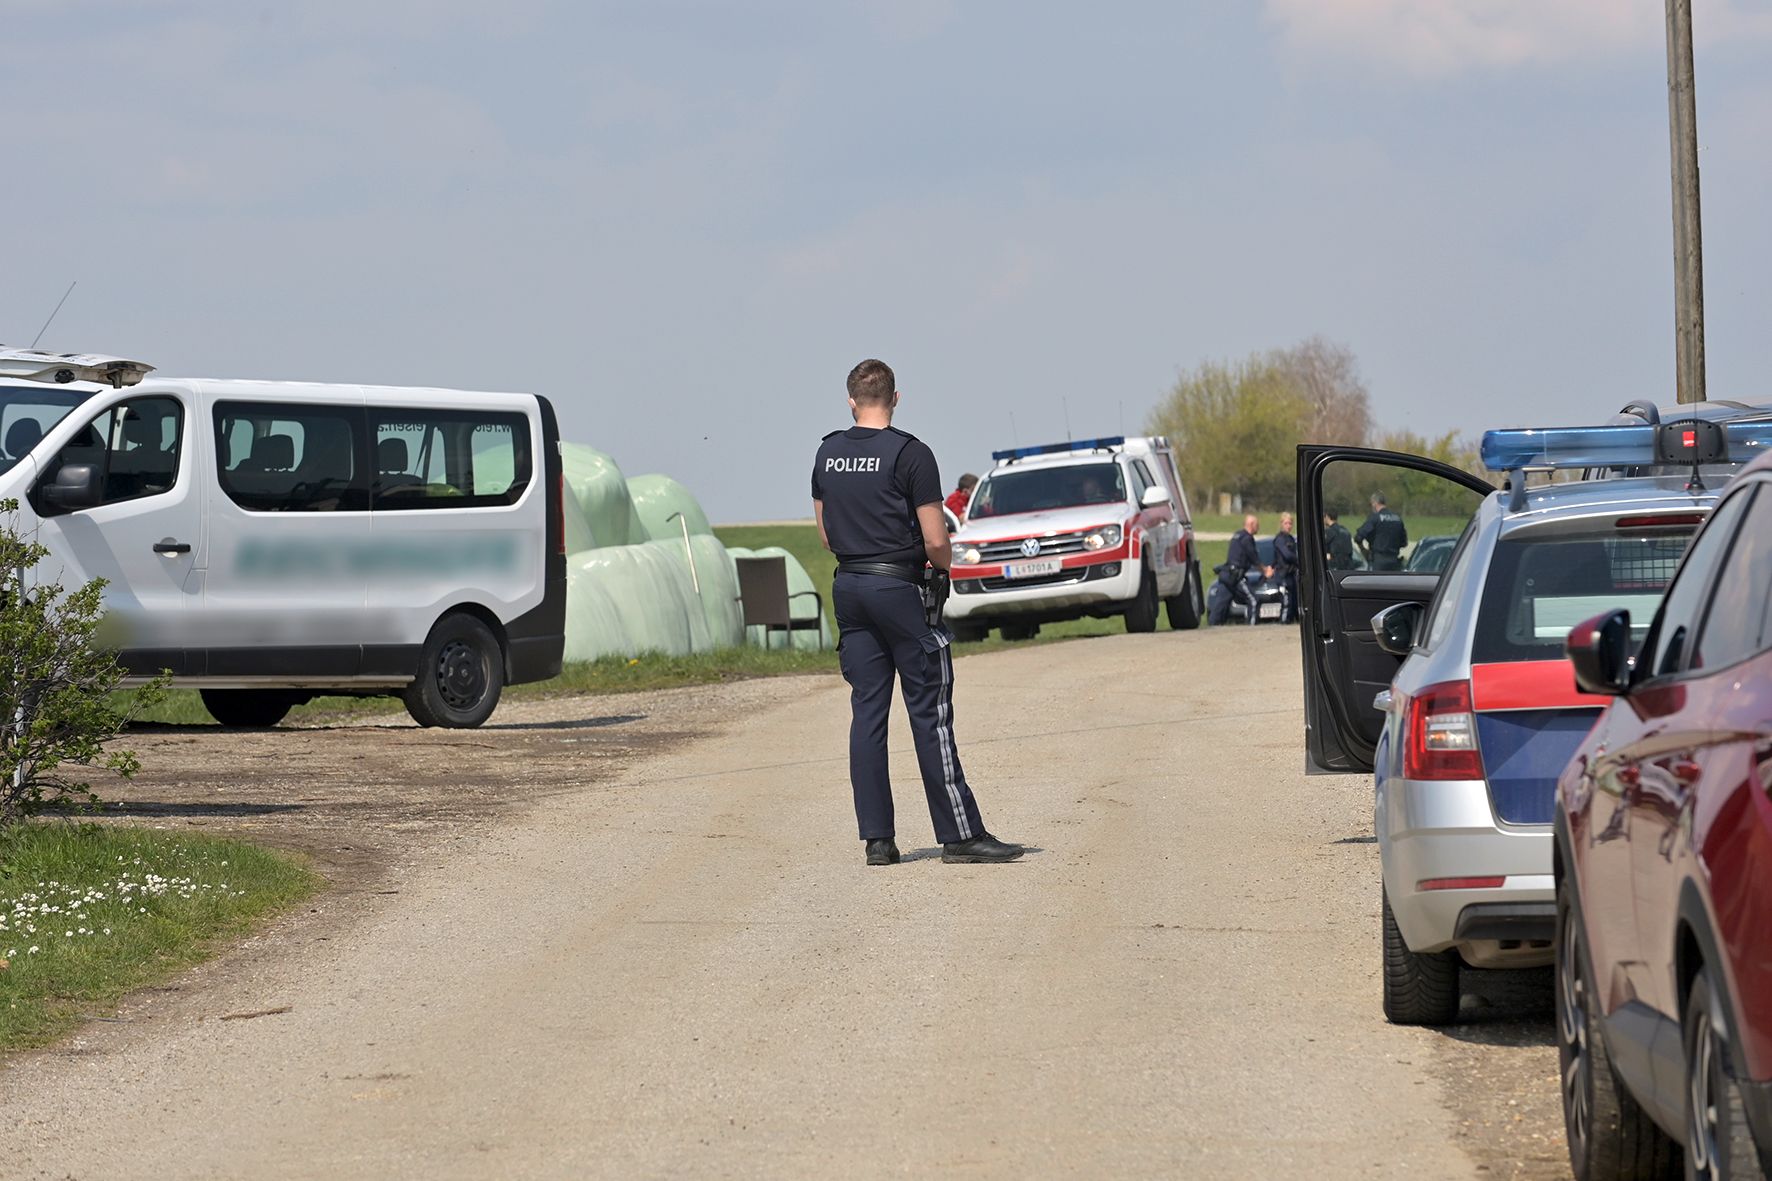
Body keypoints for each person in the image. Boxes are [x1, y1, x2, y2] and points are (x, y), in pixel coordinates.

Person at [811, 359, 1024, 867]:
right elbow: (936, 540)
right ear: (896, 398)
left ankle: (877, 840)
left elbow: (825, 534)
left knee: (868, 713)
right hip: (899, 589)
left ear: (850, 401)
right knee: (930, 711)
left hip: (850, 586)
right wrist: (939, 567)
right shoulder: (911, 453)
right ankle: (960, 835)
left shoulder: (827, 453)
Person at [1209, 513, 1263, 627]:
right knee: (1253, 600)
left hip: (1227, 576)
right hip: (1236, 577)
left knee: (1221, 604)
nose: (1258, 527)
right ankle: (1252, 629)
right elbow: (1254, 558)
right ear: (1251, 524)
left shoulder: (1237, 536)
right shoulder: (1247, 538)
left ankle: (1212, 627)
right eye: (1257, 525)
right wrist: (1265, 570)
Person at [1355, 492, 1408, 571]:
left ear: (1374, 503)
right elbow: (1404, 543)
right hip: (1394, 562)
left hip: (1378, 562)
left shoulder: (1375, 518)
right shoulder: (1397, 519)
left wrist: (1363, 550)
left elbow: (1358, 537)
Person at [1271, 511, 1299, 623]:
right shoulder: (1280, 539)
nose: (1288, 526)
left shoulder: (1291, 538)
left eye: (1290, 523)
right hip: (1283, 575)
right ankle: (1283, 624)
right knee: (1286, 603)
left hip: (1291, 575)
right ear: (1281, 524)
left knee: (1294, 603)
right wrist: (1299, 561)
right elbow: (1287, 555)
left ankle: (1291, 622)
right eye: (1286, 523)